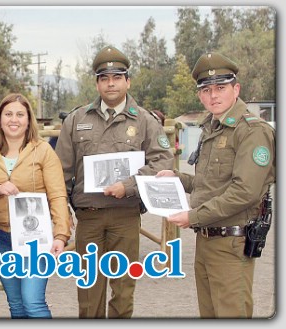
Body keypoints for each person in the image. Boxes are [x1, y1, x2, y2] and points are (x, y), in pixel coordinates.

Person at [54, 46, 174, 318]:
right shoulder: (76, 120)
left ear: (127, 81)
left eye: (117, 77)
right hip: (89, 218)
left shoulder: (145, 121)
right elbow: (60, 172)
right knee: (88, 292)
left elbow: (163, 162)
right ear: (97, 83)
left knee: (123, 291)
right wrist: (62, 214)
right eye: (104, 78)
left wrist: (129, 185)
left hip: (126, 216)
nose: (111, 83)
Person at [156, 52, 275, 318]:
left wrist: (192, 216)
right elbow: (212, 182)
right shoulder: (213, 126)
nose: (213, 96)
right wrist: (179, 178)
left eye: (220, 88)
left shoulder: (252, 131)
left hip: (232, 243)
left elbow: (245, 191)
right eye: (206, 90)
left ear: (236, 89)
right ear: (199, 95)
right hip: (206, 239)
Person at [0, 93, 71, 318]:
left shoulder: (43, 151)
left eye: (20, 114)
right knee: (16, 305)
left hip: (35, 239)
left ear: (29, 119)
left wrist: (61, 234)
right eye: (8, 114)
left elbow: (57, 195)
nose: (14, 119)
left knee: (33, 302)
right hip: (0, 238)